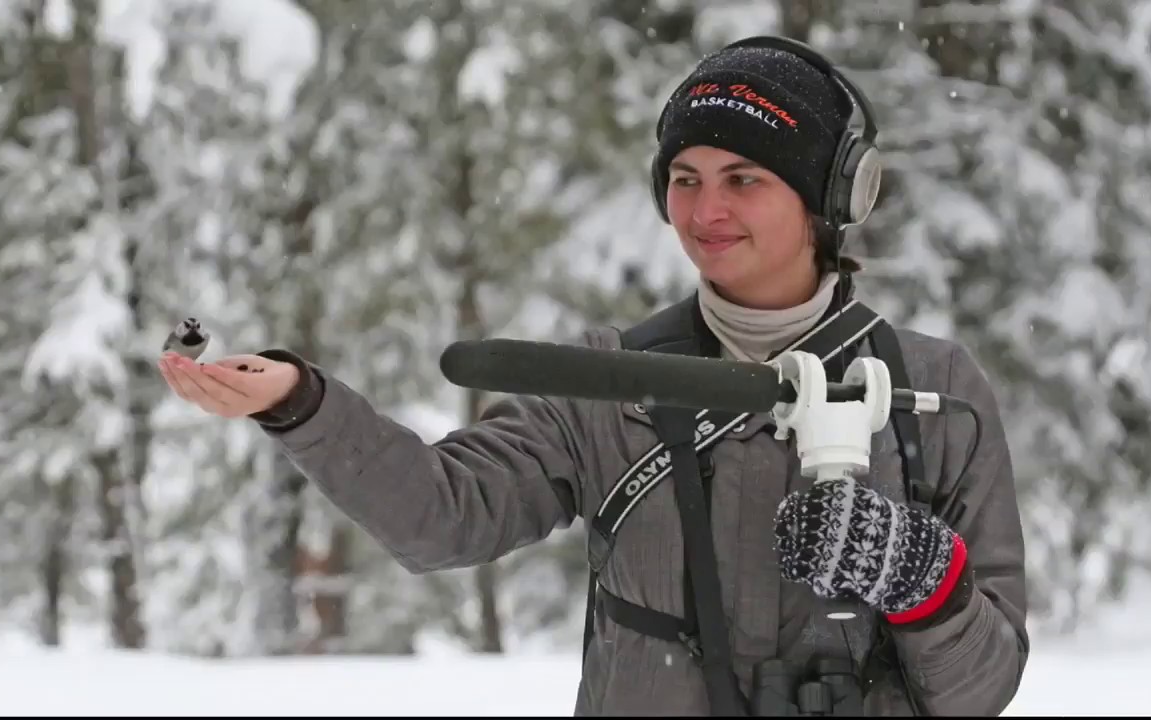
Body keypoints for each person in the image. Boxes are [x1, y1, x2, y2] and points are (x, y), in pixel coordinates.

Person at [157, 35, 1029, 717]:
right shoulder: (611, 382)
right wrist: (303, 405)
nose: (705, 210)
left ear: (830, 200)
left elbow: (979, 691)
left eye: (744, 178)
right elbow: (441, 516)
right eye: (684, 178)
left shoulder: (934, 395)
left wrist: (924, 578)